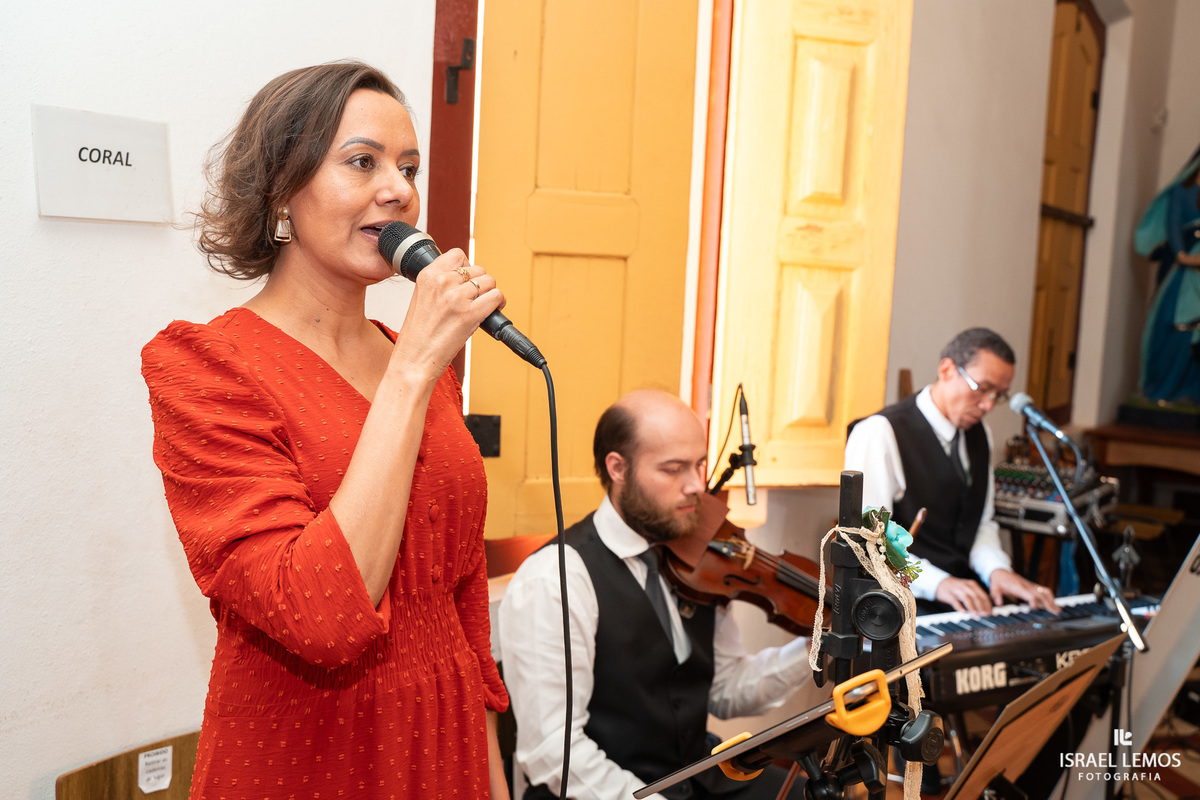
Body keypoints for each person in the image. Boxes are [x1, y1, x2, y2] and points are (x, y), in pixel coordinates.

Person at [141, 62, 510, 798]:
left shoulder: (431, 372)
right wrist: (410, 368)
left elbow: (464, 604)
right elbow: (320, 617)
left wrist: (492, 777)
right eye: (362, 162)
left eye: (408, 167)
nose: (399, 189)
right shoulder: (206, 366)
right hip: (311, 749)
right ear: (283, 187)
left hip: (448, 739)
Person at [496, 389, 811, 800]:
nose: (697, 486)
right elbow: (554, 754)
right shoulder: (556, 580)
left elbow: (725, 691)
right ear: (618, 468)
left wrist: (818, 645)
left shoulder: (700, 558)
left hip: (696, 772)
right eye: (673, 469)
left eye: (699, 465)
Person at [843, 328, 1059, 616]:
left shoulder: (981, 434)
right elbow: (870, 541)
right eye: (982, 388)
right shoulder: (879, 432)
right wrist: (939, 583)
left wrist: (997, 569)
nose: (988, 405)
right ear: (946, 369)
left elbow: (979, 523)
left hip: (963, 599)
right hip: (897, 605)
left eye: (999, 395)